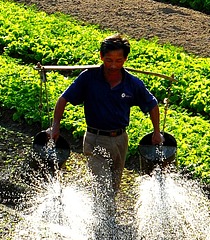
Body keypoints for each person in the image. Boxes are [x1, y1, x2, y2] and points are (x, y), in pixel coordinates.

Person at [48, 34, 163, 197]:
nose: (113, 65)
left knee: (113, 187)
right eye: (109, 60)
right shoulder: (89, 78)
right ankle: (102, 221)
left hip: (120, 140)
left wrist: (157, 132)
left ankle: (104, 217)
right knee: (102, 186)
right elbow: (63, 99)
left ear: (125, 59)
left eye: (118, 60)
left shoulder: (132, 83)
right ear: (101, 57)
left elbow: (152, 105)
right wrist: (55, 126)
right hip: (95, 139)